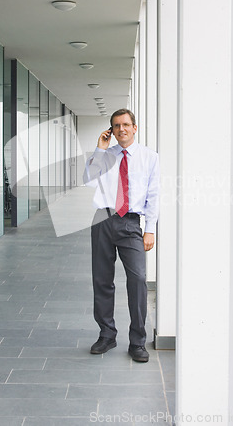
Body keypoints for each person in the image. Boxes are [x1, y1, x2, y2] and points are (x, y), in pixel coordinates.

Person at [83, 108, 159, 363]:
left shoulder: (150, 157)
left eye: (126, 124)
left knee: (137, 280)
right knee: (102, 280)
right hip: (102, 219)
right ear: (111, 130)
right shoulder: (106, 155)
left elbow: (154, 195)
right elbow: (88, 179)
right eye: (116, 126)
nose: (121, 129)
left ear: (134, 128)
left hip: (130, 223)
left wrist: (150, 229)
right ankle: (107, 334)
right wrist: (100, 149)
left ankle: (137, 341)